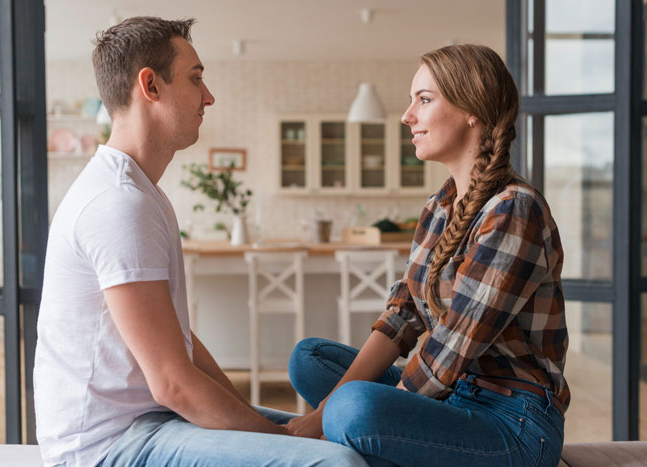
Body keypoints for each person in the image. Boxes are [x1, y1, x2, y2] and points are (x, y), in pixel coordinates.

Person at [33, 16, 367, 467]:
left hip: (150, 420)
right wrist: (271, 437)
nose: (208, 97)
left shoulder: (139, 194)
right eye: (196, 80)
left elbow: (176, 342)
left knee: (339, 437)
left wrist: (255, 420)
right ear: (150, 86)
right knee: (334, 463)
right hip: (106, 446)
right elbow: (172, 383)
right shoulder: (117, 204)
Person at [286, 44, 570, 467]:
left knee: (351, 407)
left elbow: (452, 347)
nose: (407, 117)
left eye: (424, 100)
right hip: (455, 396)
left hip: (515, 421)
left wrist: (322, 418)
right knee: (309, 359)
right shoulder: (440, 207)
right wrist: (329, 413)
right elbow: (401, 317)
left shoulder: (514, 209)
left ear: (472, 109)